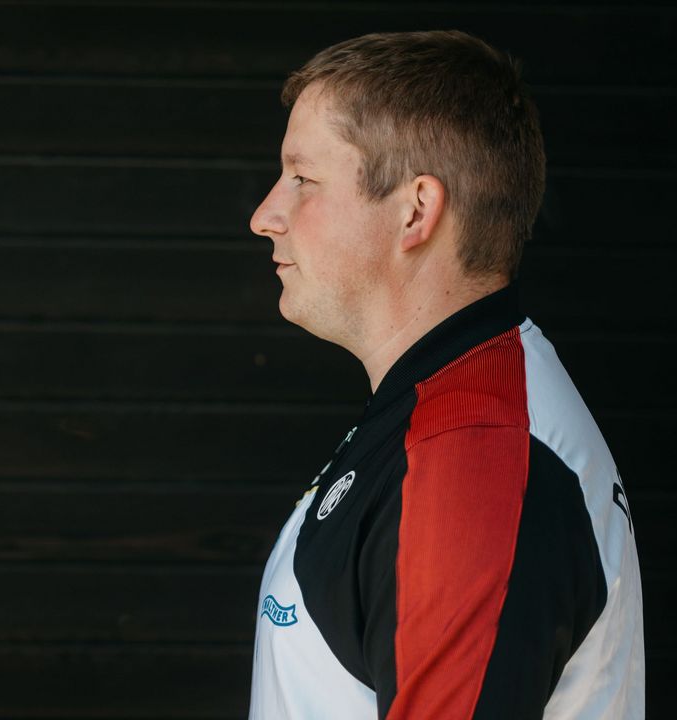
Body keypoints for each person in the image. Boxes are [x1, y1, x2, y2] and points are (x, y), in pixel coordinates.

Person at [247, 31, 643, 719]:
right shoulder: (446, 410)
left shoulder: (469, 456)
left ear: (416, 211)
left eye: (303, 180)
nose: (265, 217)